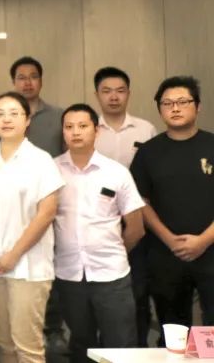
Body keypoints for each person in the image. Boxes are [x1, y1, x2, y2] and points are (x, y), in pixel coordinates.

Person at [54, 103, 145, 360]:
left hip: (111, 274)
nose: (76, 132)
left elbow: (136, 228)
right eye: (69, 127)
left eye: (83, 126)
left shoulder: (117, 172)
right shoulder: (51, 171)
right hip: (69, 274)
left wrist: (113, 250)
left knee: (120, 345)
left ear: (97, 131)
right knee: (80, 345)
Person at [0, 91, 64, 363]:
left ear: (27, 120)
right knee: (2, 344)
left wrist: (13, 254)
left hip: (30, 266)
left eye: (14, 113)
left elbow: (47, 213)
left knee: (27, 346)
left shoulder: (41, 160)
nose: (6, 119)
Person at [130, 76, 214, 327]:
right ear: (160, 109)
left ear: (198, 106)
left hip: (211, 250)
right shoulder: (148, 152)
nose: (175, 108)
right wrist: (168, 239)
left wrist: (203, 240)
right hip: (165, 253)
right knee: (174, 329)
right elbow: (141, 200)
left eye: (182, 102)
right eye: (167, 103)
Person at [92, 66, 157, 345]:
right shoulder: (89, 129)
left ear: (129, 93)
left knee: (138, 290)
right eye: (107, 91)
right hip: (98, 220)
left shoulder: (145, 129)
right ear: (97, 94)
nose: (114, 97)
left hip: (138, 218)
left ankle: (138, 348)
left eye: (120, 91)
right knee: (100, 293)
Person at [9, 56, 63, 156]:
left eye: (33, 77)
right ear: (13, 82)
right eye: (22, 78)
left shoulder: (60, 116)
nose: (28, 83)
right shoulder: (4, 119)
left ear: (41, 81)